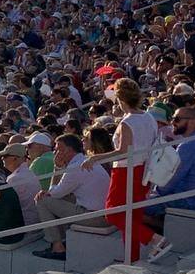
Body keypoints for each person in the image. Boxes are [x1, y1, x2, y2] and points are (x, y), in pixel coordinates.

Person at [139, 104, 195, 261]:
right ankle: (163, 229)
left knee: (132, 207)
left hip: (192, 200)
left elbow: (170, 181)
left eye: (177, 119)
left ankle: (164, 235)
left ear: (191, 122)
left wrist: (153, 193)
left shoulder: (189, 145)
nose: (172, 123)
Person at [102, 78, 160, 262]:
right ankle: (132, 259)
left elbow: (122, 153)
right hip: (144, 170)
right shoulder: (148, 117)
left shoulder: (127, 122)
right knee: (131, 217)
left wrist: (95, 158)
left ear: (121, 99)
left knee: (113, 214)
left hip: (125, 172)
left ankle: (156, 240)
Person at [32, 132, 109, 260]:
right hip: (103, 213)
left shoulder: (75, 167)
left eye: (57, 149)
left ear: (67, 150)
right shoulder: (85, 161)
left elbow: (54, 192)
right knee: (59, 198)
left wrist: (57, 168)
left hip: (95, 218)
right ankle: (62, 239)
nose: (55, 153)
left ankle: (57, 247)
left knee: (42, 200)